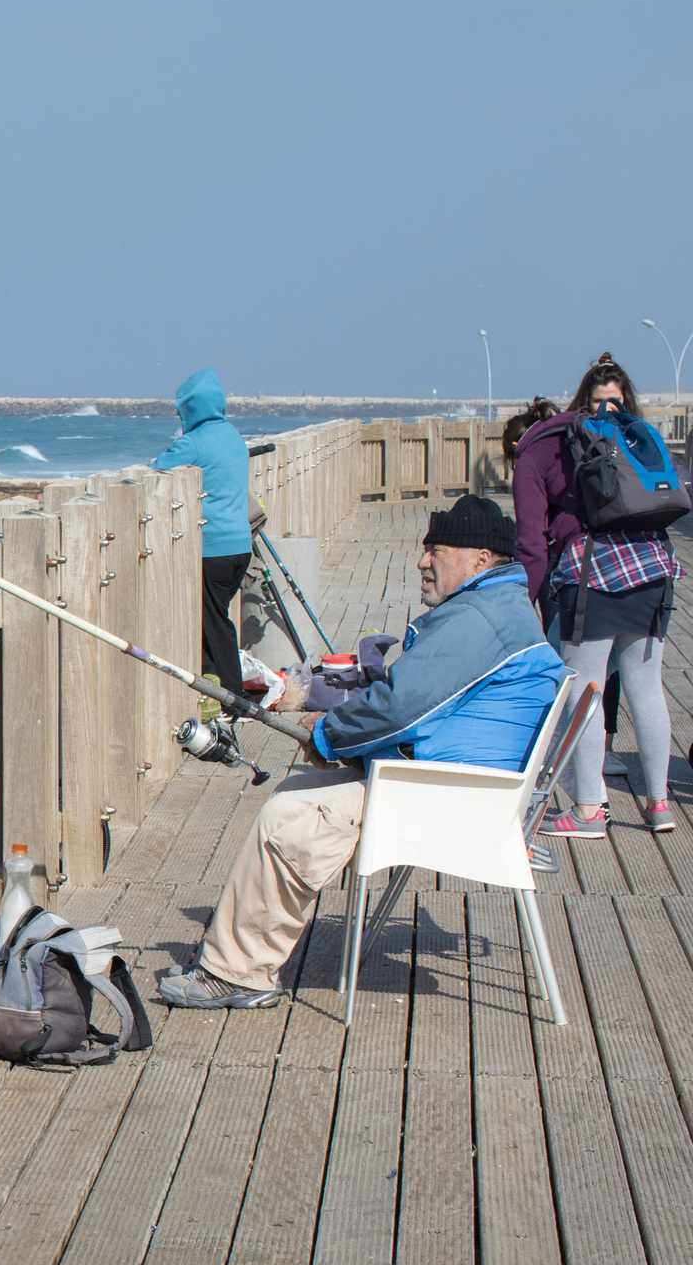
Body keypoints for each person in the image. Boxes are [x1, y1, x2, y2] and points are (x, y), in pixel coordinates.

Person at [158, 495, 563, 1008]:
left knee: (290, 818)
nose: (422, 561)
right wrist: (341, 742)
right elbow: (419, 707)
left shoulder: (480, 619)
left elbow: (400, 708)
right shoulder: (497, 607)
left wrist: (328, 735)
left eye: (436, 550)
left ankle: (236, 975)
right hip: (461, 783)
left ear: (480, 559)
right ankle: (232, 954)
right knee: (301, 789)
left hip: (456, 797)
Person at [513, 353, 681, 837]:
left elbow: (531, 544)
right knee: (647, 688)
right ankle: (659, 804)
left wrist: (522, 602)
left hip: (596, 573)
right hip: (653, 562)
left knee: (582, 692)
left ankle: (588, 811)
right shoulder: (631, 436)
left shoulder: (540, 450)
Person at [152, 369, 253, 695]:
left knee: (214, 624)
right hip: (240, 546)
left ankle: (234, 699)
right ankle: (212, 690)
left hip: (213, 550)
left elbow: (156, 469)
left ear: (190, 410)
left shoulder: (193, 443)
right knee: (211, 619)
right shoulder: (233, 435)